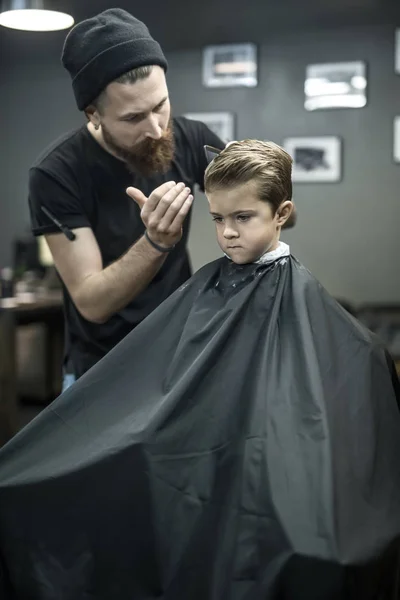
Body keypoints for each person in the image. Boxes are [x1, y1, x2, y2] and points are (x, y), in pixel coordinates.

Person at [2, 139, 399, 599]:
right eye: (217, 219)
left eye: (243, 218)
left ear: (282, 212)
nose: (227, 232)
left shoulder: (308, 307)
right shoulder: (207, 287)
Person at [27, 7, 227, 387]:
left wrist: (267, 183)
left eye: (161, 105)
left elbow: (277, 208)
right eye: (134, 118)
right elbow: (92, 302)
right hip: (101, 371)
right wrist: (155, 243)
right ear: (93, 114)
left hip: (179, 351)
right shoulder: (56, 174)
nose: (156, 128)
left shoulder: (190, 137)